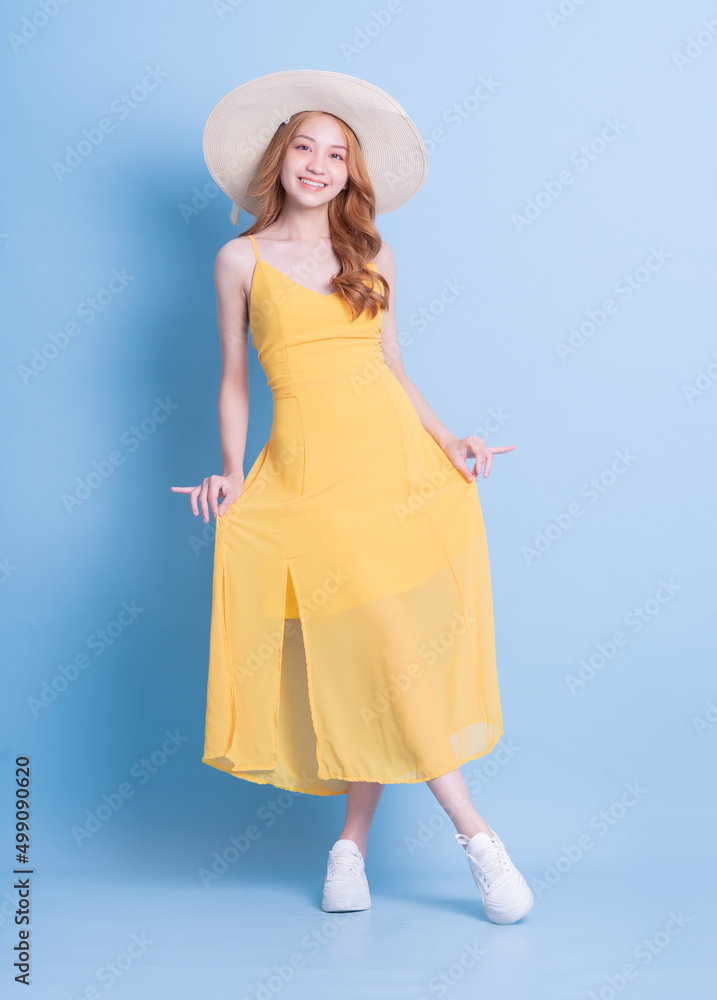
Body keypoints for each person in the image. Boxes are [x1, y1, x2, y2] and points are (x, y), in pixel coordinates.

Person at [172, 70, 533, 925]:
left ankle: (349, 851)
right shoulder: (239, 260)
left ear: (350, 173)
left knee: (368, 652)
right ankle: (476, 835)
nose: (318, 164)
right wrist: (229, 466)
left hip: (392, 472)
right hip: (304, 478)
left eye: (337, 154)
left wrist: (449, 442)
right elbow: (232, 379)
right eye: (305, 146)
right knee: (374, 642)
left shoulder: (371, 256)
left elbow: (390, 368)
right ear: (279, 156)